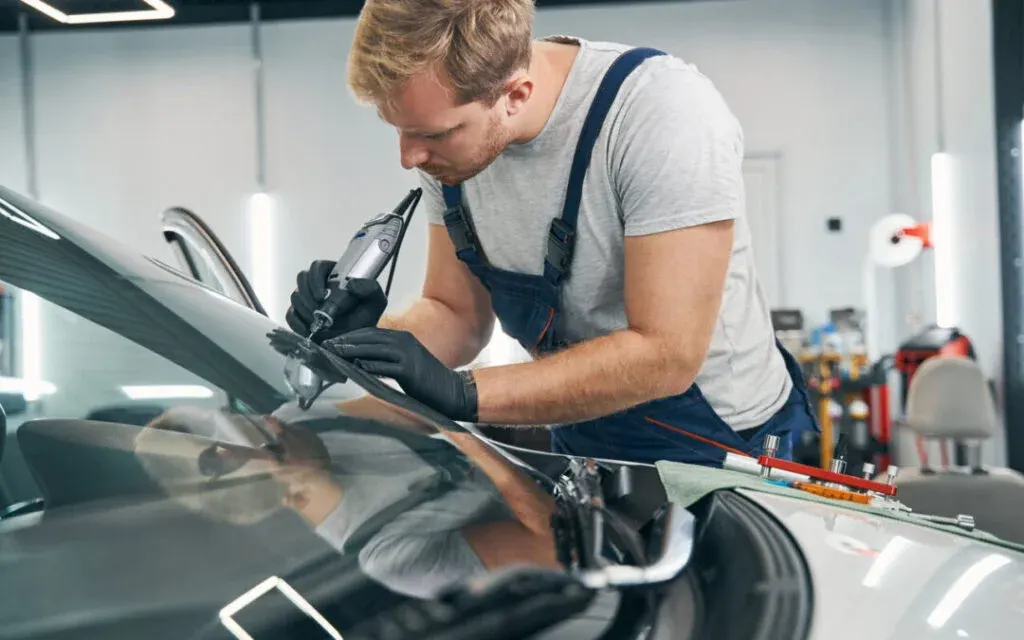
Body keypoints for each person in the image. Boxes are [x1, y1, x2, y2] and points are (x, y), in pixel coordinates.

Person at [283, 0, 818, 467]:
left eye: (430, 135)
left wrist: (463, 393)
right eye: (398, 129)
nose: (409, 158)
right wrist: (364, 342)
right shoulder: (450, 137)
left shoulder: (661, 115)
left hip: (726, 445)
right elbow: (456, 315)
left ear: (514, 94)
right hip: (581, 424)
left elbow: (667, 356)